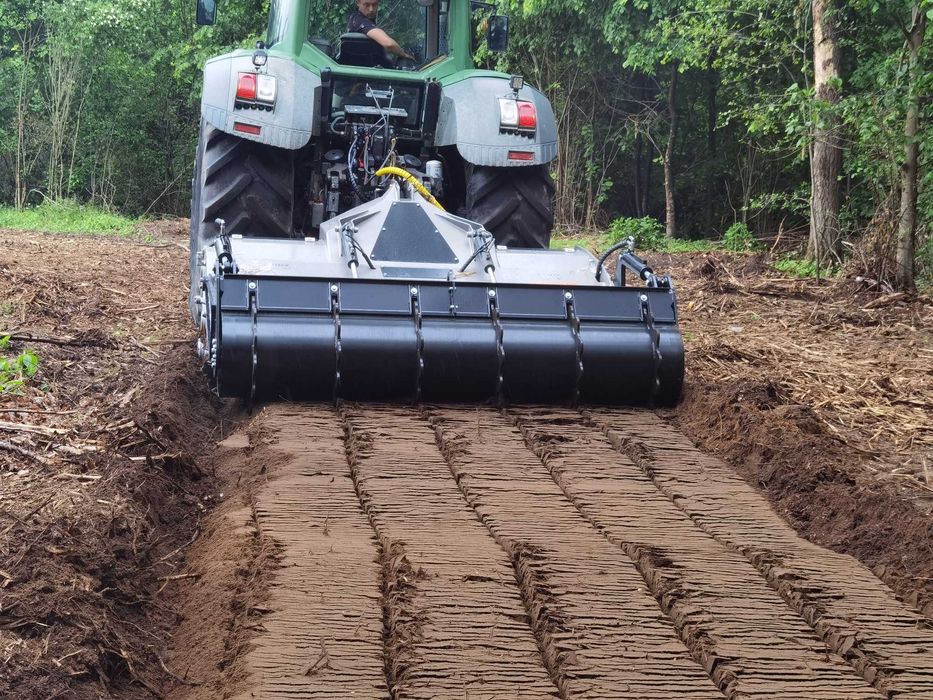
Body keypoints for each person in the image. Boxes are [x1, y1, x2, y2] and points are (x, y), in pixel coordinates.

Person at [347, 0, 415, 61]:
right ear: (357, 2)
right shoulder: (359, 20)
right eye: (367, 4)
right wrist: (403, 54)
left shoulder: (360, 19)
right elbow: (389, 44)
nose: (371, 9)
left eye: (374, 4)